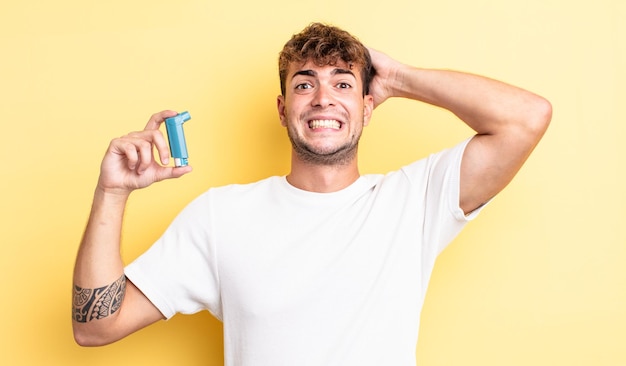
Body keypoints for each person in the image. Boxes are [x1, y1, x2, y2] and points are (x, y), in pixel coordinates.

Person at [72, 22, 551, 365]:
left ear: (367, 107)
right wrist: (111, 192)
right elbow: (95, 326)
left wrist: (400, 78)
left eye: (342, 84)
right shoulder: (221, 216)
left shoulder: (412, 200)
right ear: (283, 110)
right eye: (306, 84)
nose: (323, 98)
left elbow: (527, 118)